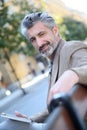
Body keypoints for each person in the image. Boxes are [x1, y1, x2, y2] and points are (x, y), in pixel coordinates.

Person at [0, 12, 87, 130]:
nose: (39, 43)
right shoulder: (53, 63)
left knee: (7, 127)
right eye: (33, 39)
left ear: (55, 31)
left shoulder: (71, 48)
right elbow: (54, 107)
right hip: (66, 123)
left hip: (74, 124)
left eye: (41, 34)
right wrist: (29, 120)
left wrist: (72, 74)